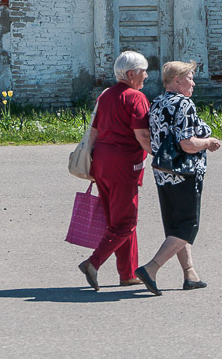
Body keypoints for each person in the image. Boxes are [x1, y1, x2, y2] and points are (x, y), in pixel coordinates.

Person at [135, 60, 221, 295]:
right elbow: (187, 143)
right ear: (177, 81)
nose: (193, 82)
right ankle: (151, 268)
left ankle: (190, 274)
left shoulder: (157, 102)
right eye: (190, 78)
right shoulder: (184, 104)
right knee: (187, 227)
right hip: (184, 172)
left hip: (163, 171)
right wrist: (208, 143)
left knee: (175, 225)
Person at [77, 51, 152, 291]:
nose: (146, 76)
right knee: (126, 222)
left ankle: (128, 273)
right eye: (143, 71)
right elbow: (142, 134)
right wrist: (160, 154)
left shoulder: (105, 95)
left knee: (116, 220)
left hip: (102, 162)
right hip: (124, 165)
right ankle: (93, 263)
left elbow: (95, 131)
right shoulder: (136, 97)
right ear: (131, 74)